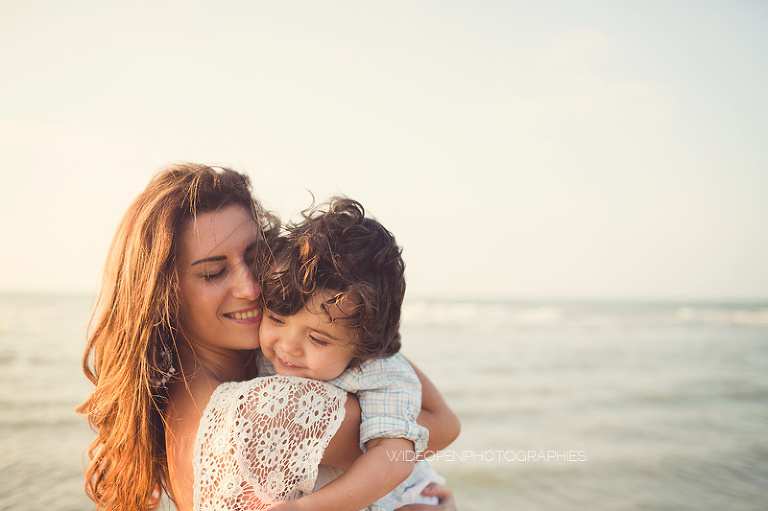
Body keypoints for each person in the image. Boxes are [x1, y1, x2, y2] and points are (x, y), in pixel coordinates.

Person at [77, 163, 459, 511]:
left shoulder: (175, 398)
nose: (250, 287)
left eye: (254, 256)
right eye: (213, 273)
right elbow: (439, 427)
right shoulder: (271, 410)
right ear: (164, 295)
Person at [257, 198, 456, 511]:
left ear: (364, 347)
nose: (288, 345)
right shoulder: (266, 355)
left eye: (317, 338)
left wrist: (304, 509)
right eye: (276, 319)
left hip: (404, 500)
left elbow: (393, 458)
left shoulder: (379, 374)